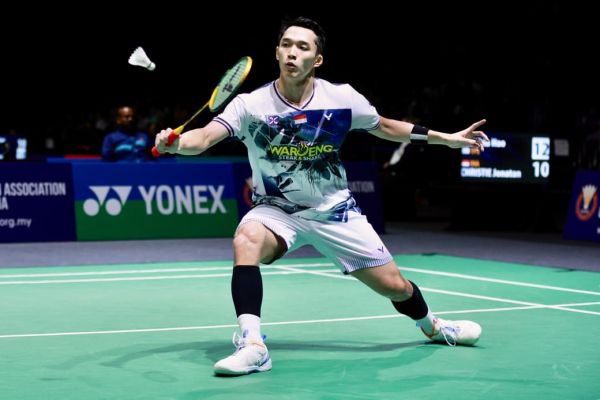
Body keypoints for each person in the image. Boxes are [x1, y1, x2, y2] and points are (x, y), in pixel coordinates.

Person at [155, 16, 489, 376]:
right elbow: (204, 137)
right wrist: (177, 143)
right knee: (246, 238)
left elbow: (385, 126)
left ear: (317, 59)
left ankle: (433, 326)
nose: (292, 53)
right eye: (286, 44)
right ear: (276, 52)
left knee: (395, 287)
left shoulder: (342, 98)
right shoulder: (249, 104)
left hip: (334, 211)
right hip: (276, 210)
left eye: (303, 47)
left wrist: (445, 138)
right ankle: (253, 345)